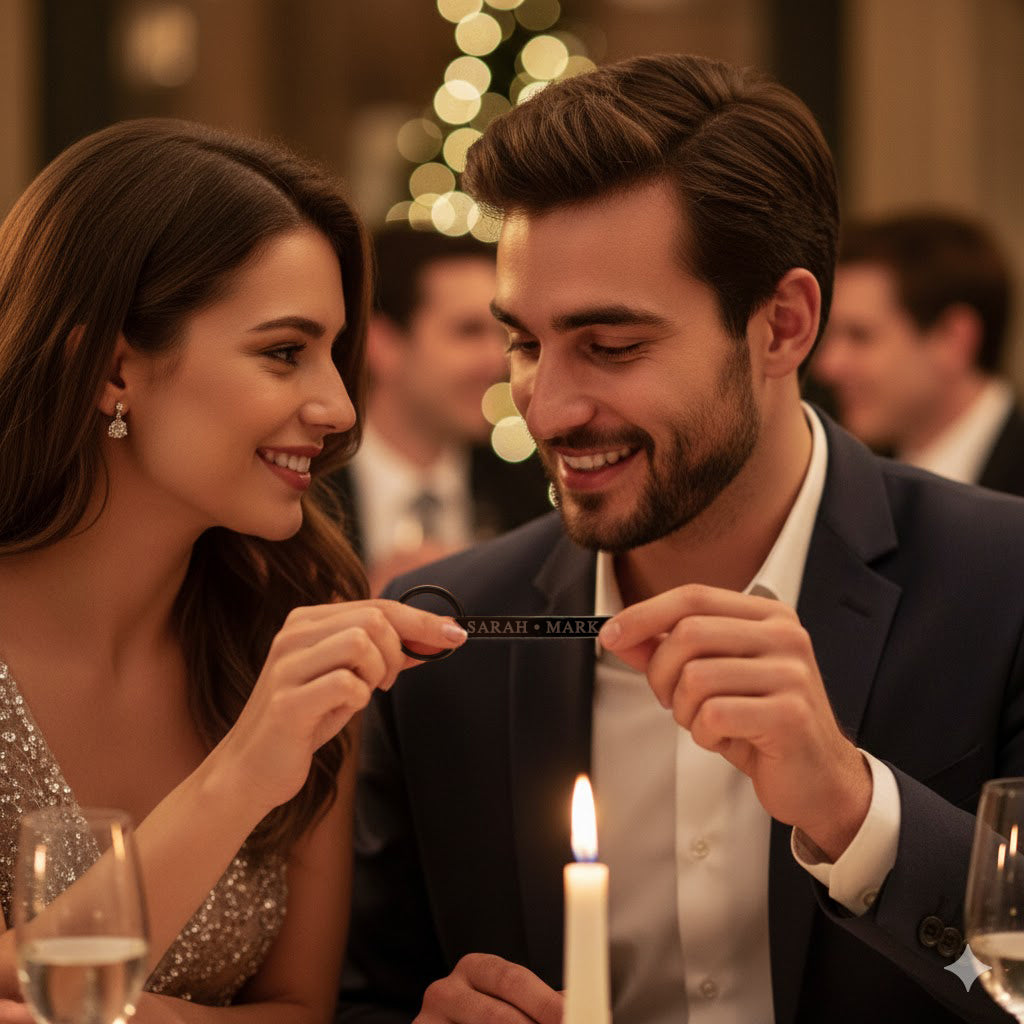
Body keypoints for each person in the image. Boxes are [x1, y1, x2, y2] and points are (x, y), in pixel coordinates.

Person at [337, 54, 1024, 1024]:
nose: (548, 405)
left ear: (782, 326)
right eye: (526, 343)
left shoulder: (1003, 587)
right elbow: (363, 994)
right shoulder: (446, 643)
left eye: (611, 346)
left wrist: (854, 812)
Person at [0, 119, 468, 1023]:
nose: (336, 407)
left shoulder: (289, 631)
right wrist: (242, 774)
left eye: (335, 353)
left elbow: (299, 1009)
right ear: (109, 367)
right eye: (284, 352)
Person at [329, 225, 550, 594]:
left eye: (504, 335)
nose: (498, 362)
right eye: (468, 331)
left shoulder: (531, 495)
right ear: (383, 345)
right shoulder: (304, 497)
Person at [812, 211, 1024, 494]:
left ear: (953, 340)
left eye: (860, 336)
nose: (828, 366)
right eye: (830, 337)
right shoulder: (853, 482)